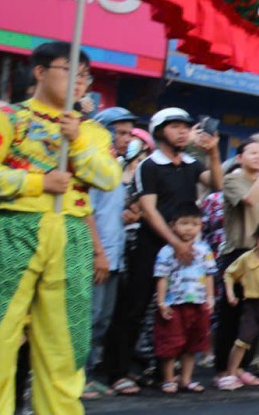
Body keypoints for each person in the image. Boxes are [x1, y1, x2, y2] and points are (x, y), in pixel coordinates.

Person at [0, 41, 121, 415]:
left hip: (70, 235)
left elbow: (108, 177)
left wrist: (77, 140)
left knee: (66, 334)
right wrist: (35, 183)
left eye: (85, 75)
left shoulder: (93, 130)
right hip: (11, 228)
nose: (79, 81)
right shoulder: (5, 116)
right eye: (70, 71)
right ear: (40, 72)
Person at [103, 107, 220, 394]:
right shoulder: (149, 165)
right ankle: (118, 371)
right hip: (153, 244)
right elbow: (149, 210)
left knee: (175, 309)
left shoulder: (192, 163)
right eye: (175, 126)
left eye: (185, 126)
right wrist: (175, 242)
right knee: (137, 306)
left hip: (185, 247)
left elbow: (217, 185)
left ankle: (159, 369)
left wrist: (215, 154)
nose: (182, 131)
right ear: (159, 131)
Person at [213, 136, 259, 373]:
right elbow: (249, 200)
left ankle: (245, 366)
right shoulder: (232, 179)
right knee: (232, 314)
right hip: (239, 253)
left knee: (257, 315)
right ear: (239, 158)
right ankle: (223, 368)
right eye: (253, 153)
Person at [82, 107, 136, 397]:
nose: (126, 139)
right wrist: (97, 252)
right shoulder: (92, 164)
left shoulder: (114, 165)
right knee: (87, 318)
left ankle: (89, 375)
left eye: (129, 133)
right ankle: (77, 378)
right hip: (95, 254)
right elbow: (85, 210)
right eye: (120, 132)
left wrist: (128, 213)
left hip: (114, 256)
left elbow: (108, 211)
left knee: (102, 319)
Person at [152, 212, 217, 394]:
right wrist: (161, 302)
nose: (189, 228)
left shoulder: (204, 250)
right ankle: (168, 379)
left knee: (193, 343)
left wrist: (210, 298)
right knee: (171, 341)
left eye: (194, 224)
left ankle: (186, 379)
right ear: (173, 225)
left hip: (198, 302)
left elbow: (209, 275)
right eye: (184, 223)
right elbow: (162, 277)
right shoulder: (167, 251)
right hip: (175, 303)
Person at [222, 220, 259, 390]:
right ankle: (231, 374)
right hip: (253, 305)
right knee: (243, 340)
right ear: (256, 238)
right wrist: (230, 294)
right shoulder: (246, 259)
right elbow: (229, 274)